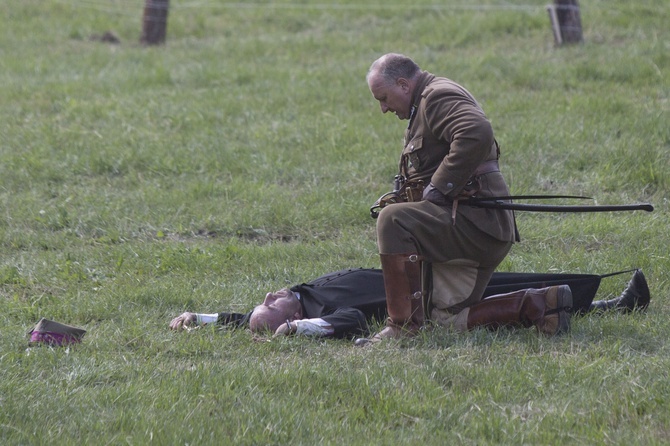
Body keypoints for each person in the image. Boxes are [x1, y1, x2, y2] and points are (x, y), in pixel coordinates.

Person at [363, 53, 569, 344]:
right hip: (473, 223)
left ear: (403, 84)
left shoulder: (436, 96)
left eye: (383, 98)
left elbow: (476, 131)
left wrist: (438, 187)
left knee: (393, 220)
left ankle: (401, 328)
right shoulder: (424, 101)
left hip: (476, 225)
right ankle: (540, 304)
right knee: (444, 321)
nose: (383, 108)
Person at [168, 268, 650, 339]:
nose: (268, 297)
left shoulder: (302, 293)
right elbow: (352, 320)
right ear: (293, 317)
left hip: (424, 264)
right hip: (433, 295)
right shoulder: (319, 314)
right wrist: (301, 331)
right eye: (271, 307)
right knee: (517, 298)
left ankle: (600, 297)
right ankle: (612, 307)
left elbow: (246, 319)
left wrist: (202, 317)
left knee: (525, 278)